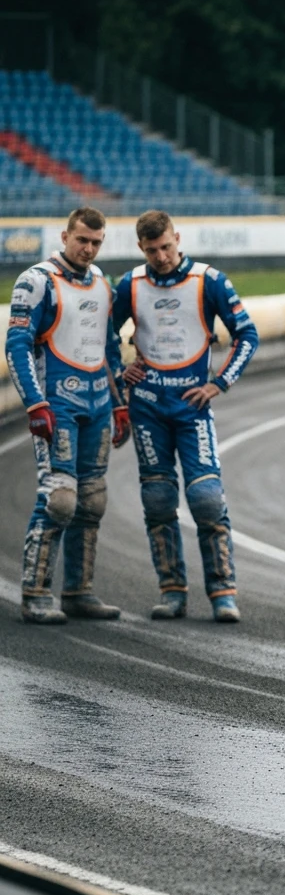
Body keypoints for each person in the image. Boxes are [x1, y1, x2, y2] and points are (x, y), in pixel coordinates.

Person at [112, 210, 258, 623]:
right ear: (142, 248)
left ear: (178, 238)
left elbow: (248, 333)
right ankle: (172, 590)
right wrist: (122, 369)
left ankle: (223, 591)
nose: (161, 256)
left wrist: (220, 383)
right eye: (152, 250)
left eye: (167, 247)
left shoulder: (210, 281)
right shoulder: (130, 285)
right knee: (158, 500)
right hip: (147, 408)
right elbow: (101, 331)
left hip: (193, 407)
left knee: (206, 499)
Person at [5, 206, 130, 624]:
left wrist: (119, 403)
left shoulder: (102, 283)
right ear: (65, 236)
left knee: (92, 502)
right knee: (59, 500)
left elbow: (110, 349)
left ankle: (79, 592)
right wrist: (35, 403)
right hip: (56, 406)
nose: (89, 249)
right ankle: (35, 593)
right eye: (82, 240)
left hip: (97, 406)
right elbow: (16, 345)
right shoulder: (36, 280)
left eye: (96, 242)